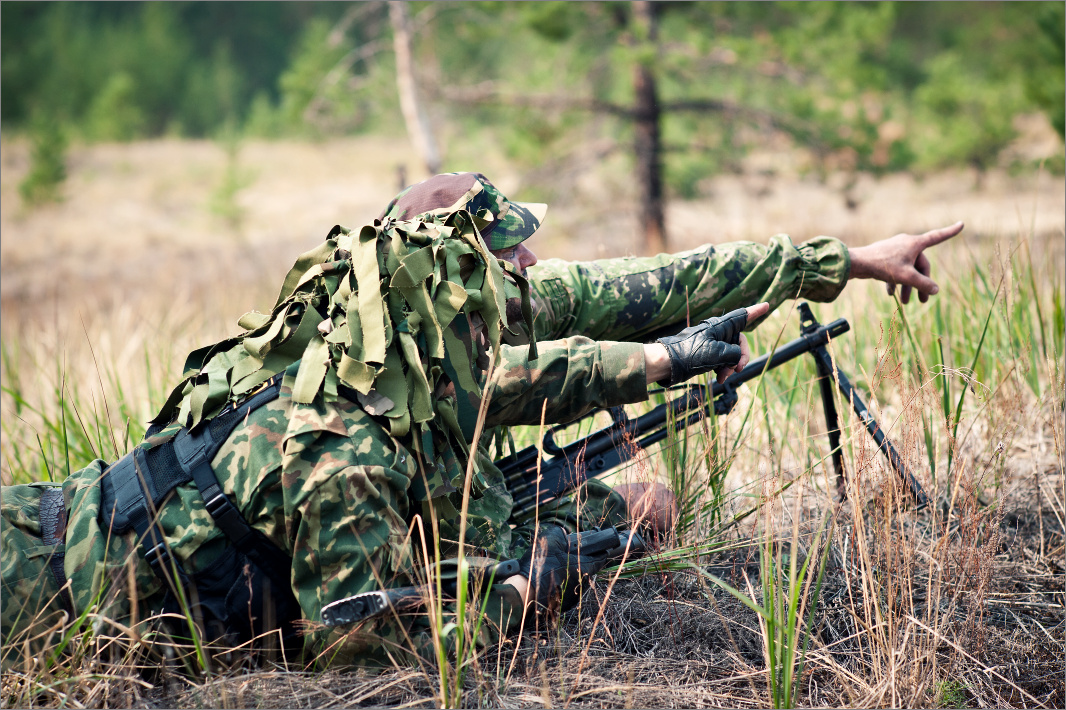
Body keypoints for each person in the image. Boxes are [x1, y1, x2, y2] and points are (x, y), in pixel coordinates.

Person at [1, 171, 961, 669]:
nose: (534, 278)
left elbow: (629, 291)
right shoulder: (347, 436)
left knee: (642, 507)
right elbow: (366, 659)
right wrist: (535, 576)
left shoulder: (417, 340)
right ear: (455, 283)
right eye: (511, 266)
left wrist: (844, 261)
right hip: (36, 590)